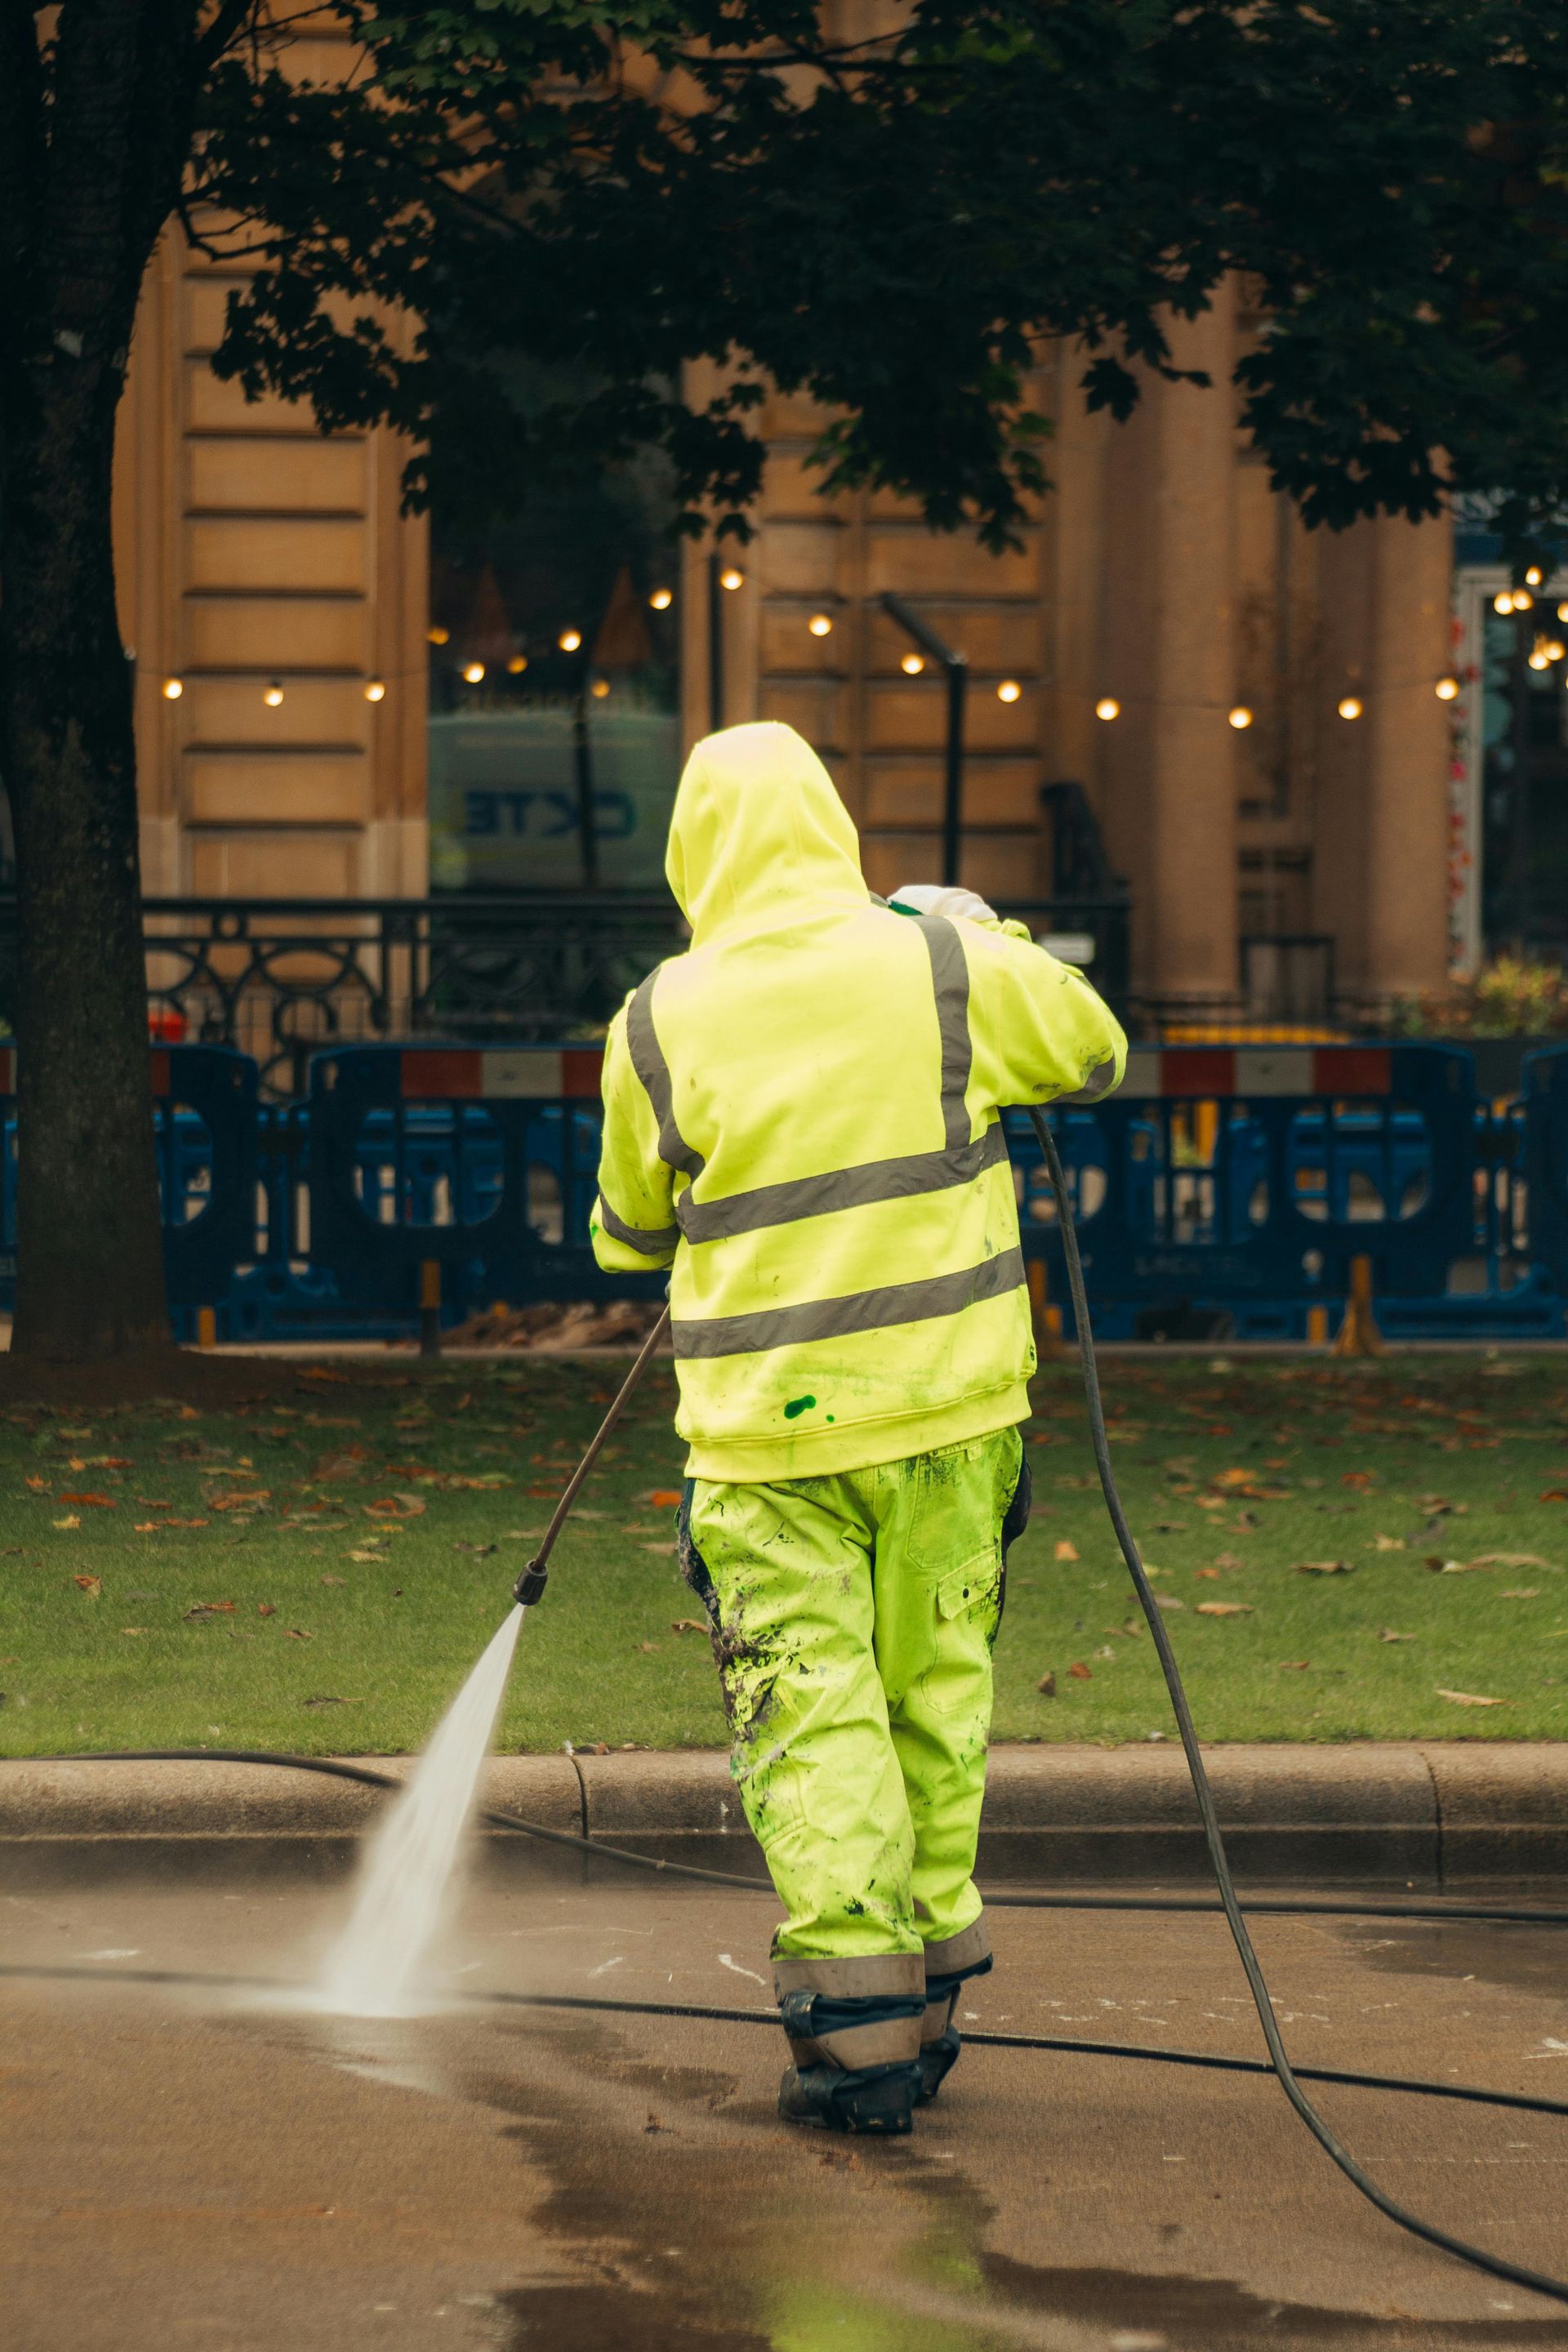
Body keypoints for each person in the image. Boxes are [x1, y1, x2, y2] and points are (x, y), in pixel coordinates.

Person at [590, 720, 1125, 2135]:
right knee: (935, 1695)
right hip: (955, 1420)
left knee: (811, 1714)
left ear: (691, 853)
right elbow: (1094, 1047)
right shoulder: (941, 964)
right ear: (831, 823)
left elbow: (630, 1230)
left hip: (769, 1446)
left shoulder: (658, 1015)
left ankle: (858, 2037)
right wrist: (977, 926)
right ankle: (931, 1989)